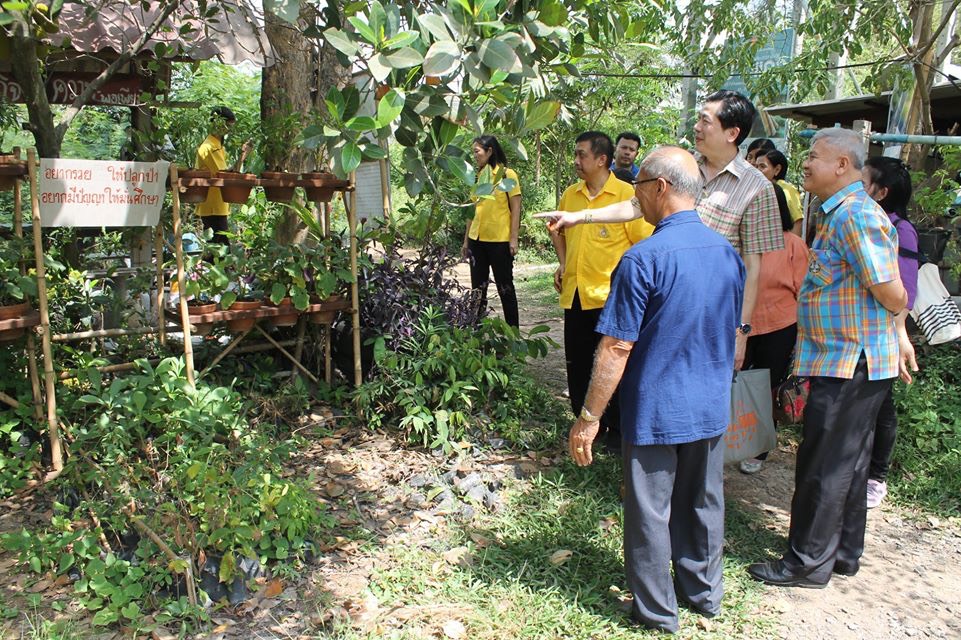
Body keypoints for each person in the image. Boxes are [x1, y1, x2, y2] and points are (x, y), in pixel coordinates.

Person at [568, 146, 745, 633]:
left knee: (649, 509)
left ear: (661, 188)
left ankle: (656, 611)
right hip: (709, 402)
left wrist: (588, 416)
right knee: (704, 502)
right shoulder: (727, 255)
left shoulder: (642, 258)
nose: (636, 194)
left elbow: (616, 348)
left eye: (640, 185)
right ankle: (704, 594)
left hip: (656, 408)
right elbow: (731, 332)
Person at [748, 128, 913, 589]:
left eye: (813, 157)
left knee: (825, 464)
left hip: (849, 361)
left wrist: (899, 314)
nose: (804, 164)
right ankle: (842, 553)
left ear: (842, 164)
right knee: (851, 462)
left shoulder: (855, 215)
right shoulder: (837, 212)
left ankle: (806, 562)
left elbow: (888, 288)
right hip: (844, 358)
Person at [539, 91, 782, 370]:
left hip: (710, 314)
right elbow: (635, 206)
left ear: (732, 133)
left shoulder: (756, 188)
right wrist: (579, 216)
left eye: (705, 121)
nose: (697, 127)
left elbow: (753, 266)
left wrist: (741, 331)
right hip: (663, 302)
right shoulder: (680, 167)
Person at [551, 131, 654, 449]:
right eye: (576, 154)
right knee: (578, 364)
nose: (576, 161)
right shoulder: (571, 195)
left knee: (610, 366)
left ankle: (616, 428)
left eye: (582, 155)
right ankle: (584, 424)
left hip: (612, 299)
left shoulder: (627, 197)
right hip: (577, 294)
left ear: (602, 160)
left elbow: (646, 244)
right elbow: (562, 234)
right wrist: (564, 263)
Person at [738, 183, 809, 474]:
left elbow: (803, 290)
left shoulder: (792, 244)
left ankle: (760, 448)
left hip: (779, 326)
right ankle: (733, 438)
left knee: (767, 387)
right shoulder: (738, 240)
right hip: (740, 326)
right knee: (737, 384)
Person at [862, 156, 920, 508]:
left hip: (885, 331)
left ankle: (876, 477)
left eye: (863, 180)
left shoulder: (902, 230)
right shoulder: (865, 222)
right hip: (865, 329)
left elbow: (905, 291)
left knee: (882, 406)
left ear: (881, 192)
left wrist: (900, 335)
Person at [461, 135, 521, 327]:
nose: (475, 155)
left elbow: (516, 207)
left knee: (505, 288)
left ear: (489, 151)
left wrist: (513, 239)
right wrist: (465, 241)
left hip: (499, 240)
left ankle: (514, 334)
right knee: (477, 290)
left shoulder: (507, 175)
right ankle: (476, 333)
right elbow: (472, 210)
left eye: (477, 151)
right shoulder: (477, 177)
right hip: (476, 240)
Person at [195, 106, 251, 245]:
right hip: (212, 205)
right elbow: (225, 175)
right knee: (220, 249)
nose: (228, 130)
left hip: (218, 204)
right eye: (227, 125)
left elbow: (228, 172)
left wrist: (243, 156)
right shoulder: (209, 147)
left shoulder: (218, 146)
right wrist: (242, 157)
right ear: (217, 123)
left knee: (217, 249)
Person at [755, 149, 804, 236]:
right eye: (756, 167)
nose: (757, 170)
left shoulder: (787, 190)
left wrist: (791, 245)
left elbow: (798, 221)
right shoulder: (761, 188)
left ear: (777, 169)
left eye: (762, 166)